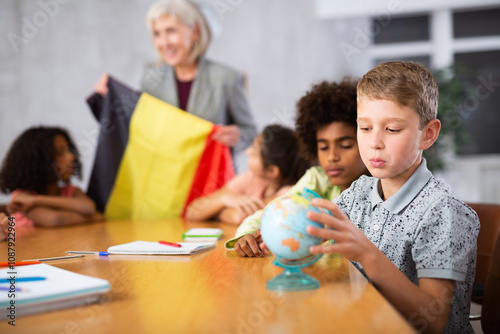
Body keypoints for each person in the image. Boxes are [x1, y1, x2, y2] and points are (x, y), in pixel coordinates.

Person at [306, 61, 479, 333]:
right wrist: (270, 234)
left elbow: (433, 320)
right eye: (364, 128)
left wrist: (367, 255)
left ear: (428, 134)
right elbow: (312, 231)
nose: (374, 141)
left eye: (392, 129)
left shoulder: (443, 211)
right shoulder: (359, 192)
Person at [226, 79, 369, 257]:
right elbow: (271, 211)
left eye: (346, 145)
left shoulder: (377, 190)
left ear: (367, 142)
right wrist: (246, 235)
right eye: (323, 147)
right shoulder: (317, 179)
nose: (332, 156)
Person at [94, 0, 257, 155]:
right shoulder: (152, 78)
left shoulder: (226, 78)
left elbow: (251, 134)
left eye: (171, 31)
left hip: (213, 179)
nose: (164, 43)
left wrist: (238, 137)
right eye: (157, 34)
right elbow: (137, 127)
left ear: (196, 32)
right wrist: (107, 98)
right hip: (166, 178)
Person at [185, 124, 310, 225]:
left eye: (254, 152)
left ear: (272, 171)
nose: (247, 151)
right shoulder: (252, 177)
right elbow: (192, 211)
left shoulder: (291, 194)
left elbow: (239, 217)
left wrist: (215, 210)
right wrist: (225, 199)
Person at [0, 127, 104, 228]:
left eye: (69, 150)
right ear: (39, 162)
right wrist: (92, 218)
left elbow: (89, 208)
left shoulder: (70, 191)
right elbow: (55, 220)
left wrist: (36, 200)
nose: (72, 157)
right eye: (60, 153)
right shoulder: (22, 197)